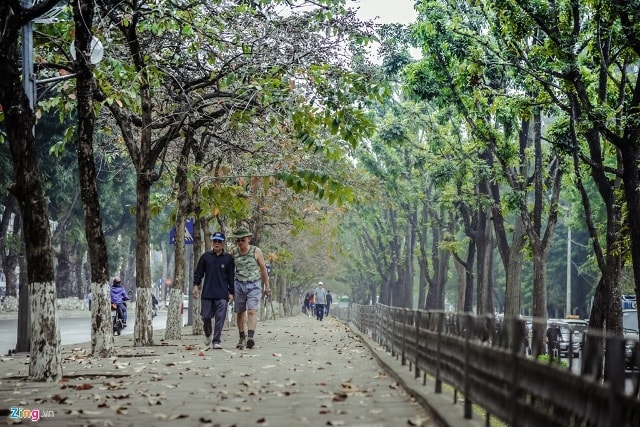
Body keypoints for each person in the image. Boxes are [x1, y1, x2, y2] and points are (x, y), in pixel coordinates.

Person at [193, 231, 235, 350]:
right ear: (212, 242)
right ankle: (207, 334)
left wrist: (231, 293)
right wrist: (196, 286)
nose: (216, 243)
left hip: (222, 294)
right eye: (214, 241)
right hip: (207, 293)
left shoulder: (228, 259)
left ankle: (216, 340)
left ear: (223, 243)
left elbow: (231, 277)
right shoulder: (205, 257)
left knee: (220, 318)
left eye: (219, 241)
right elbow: (198, 273)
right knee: (206, 317)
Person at [231, 226, 270, 349]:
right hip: (239, 284)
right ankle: (242, 336)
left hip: (254, 285)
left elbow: (263, 269)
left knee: (252, 311)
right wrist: (230, 290)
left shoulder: (256, 251)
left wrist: (267, 287)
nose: (240, 242)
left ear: (248, 239)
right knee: (240, 312)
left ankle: (251, 337)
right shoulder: (234, 253)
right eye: (238, 240)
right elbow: (230, 271)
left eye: (242, 240)